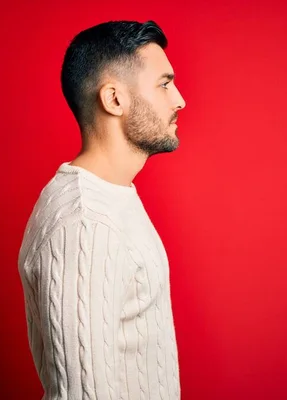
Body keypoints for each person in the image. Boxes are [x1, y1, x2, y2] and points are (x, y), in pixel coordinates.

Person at [18, 20, 186, 400]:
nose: (179, 99)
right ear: (114, 99)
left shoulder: (113, 196)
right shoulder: (85, 221)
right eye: (164, 83)